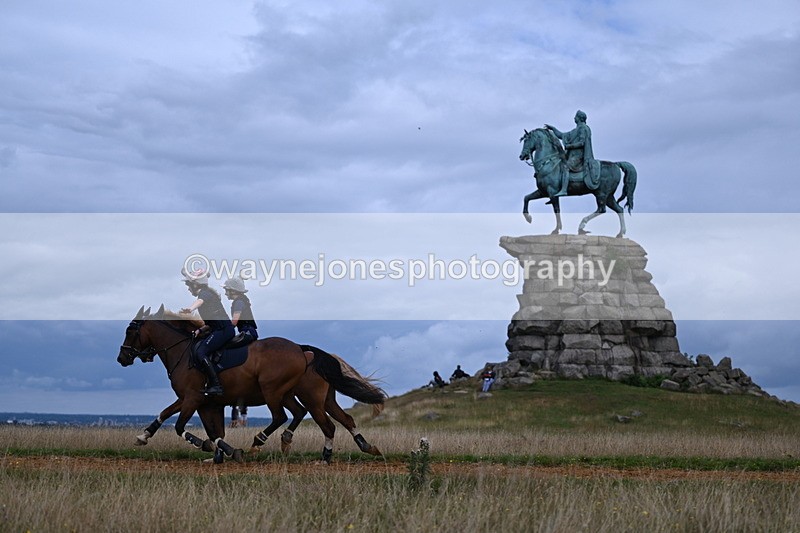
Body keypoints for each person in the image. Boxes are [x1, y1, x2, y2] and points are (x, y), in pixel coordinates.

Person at [180, 268, 234, 396]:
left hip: (224, 330)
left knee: (200, 351)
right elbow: (210, 324)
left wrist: (190, 309)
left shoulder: (205, 293)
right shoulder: (206, 294)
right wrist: (199, 330)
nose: (188, 288)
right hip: (218, 329)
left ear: (195, 284)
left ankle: (216, 385)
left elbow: (199, 302)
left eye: (189, 285)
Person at [544, 110, 600, 196]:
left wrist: (569, 146)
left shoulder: (583, 128)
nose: (574, 118)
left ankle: (564, 190)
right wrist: (553, 129)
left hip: (579, 156)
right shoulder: (576, 130)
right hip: (572, 155)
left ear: (579, 118)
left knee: (565, 167)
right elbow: (562, 135)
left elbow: (582, 143)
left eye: (576, 116)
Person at [223, 276, 258, 341]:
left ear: (233, 291)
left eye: (226, 290)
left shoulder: (238, 302)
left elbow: (234, 322)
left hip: (247, 332)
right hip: (249, 331)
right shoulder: (242, 300)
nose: (225, 293)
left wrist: (224, 330)